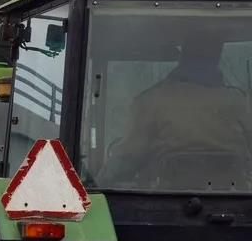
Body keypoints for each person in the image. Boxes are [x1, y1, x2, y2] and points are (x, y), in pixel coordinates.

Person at [102, 38, 252, 189]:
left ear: (183, 55)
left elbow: (127, 159)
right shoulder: (239, 102)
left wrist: (97, 183)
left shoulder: (151, 101)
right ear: (217, 56)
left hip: (164, 204)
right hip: (235, 202)